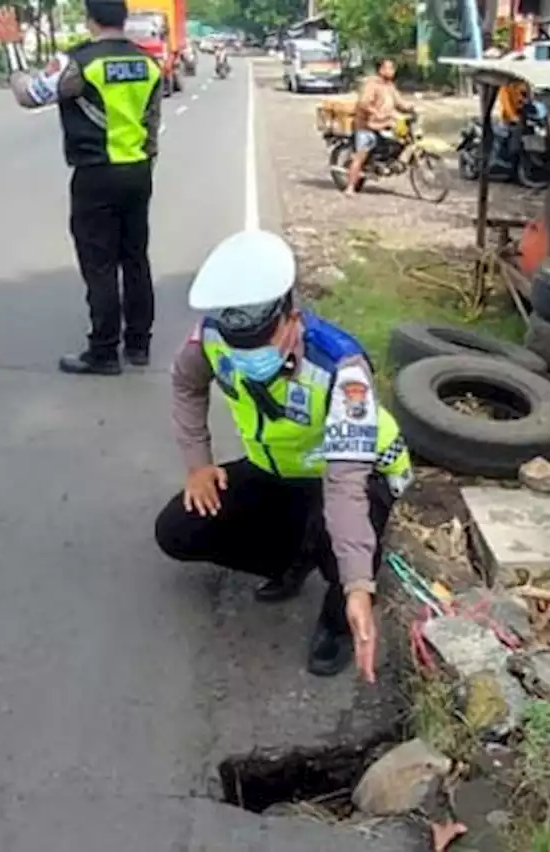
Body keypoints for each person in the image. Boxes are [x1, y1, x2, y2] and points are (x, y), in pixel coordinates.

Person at [154, 230, 413, 681]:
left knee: (347, 553)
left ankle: (338, 618)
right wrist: (198, 463)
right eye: (239, 350)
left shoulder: (340, 369)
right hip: (278, 470)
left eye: (259, 347)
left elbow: (345, 483)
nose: (247, 358)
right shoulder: (213, 336)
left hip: (355, 473)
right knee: (178, 530)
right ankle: (293, 558)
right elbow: (185, 384)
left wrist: (356, 585)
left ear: (291, 318)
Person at [0, 2, 162, 375]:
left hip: (96, 174)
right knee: (135, 258)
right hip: (137, 171)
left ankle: (103, 351)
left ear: (90, 21)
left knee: (99, 264)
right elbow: (151, 122)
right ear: (123, 19)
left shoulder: (80, 64)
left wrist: (12, 50)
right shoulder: (147, 63)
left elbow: (29, 95)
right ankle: (138, 345)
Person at [344, 57, 415, 197]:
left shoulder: (390, 86)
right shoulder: (372, 84)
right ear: (380, 70)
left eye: (393, 68)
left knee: (402, 139)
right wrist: (374, 111)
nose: (391, 71)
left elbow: (400, 103)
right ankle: (350, 187)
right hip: (367, 125)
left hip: (385, 124)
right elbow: (363, 103)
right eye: (388, 68)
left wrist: (411, 107)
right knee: (360, 156)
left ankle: (388, 162)